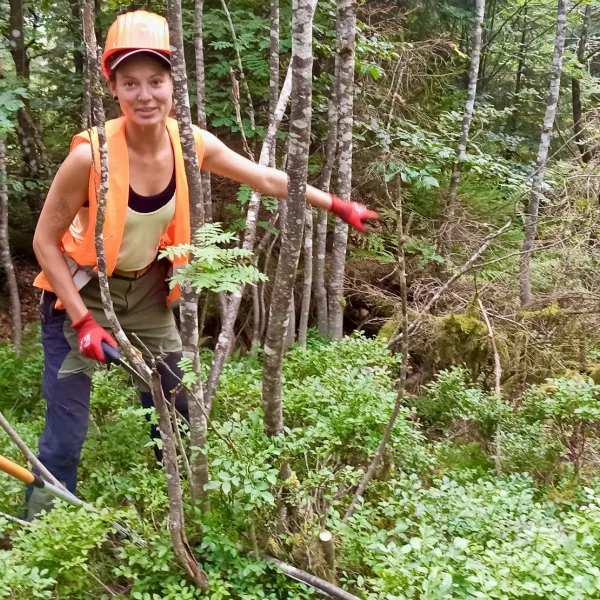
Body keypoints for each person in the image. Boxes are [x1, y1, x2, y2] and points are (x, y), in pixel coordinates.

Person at [28, 10, 378, 517]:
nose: (144, 95)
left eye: (155, 81)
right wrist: (81, 320)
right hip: (78, 294)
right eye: (130, 83)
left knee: (177, 401)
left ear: (173, 83)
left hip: (146, 291)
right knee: (66, 427)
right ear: (115, 88)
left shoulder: (188, 143)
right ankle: (41, 520)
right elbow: (44, 242)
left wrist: (338, 205)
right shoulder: (91, 157)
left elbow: (267, 180)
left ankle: (183, 506)